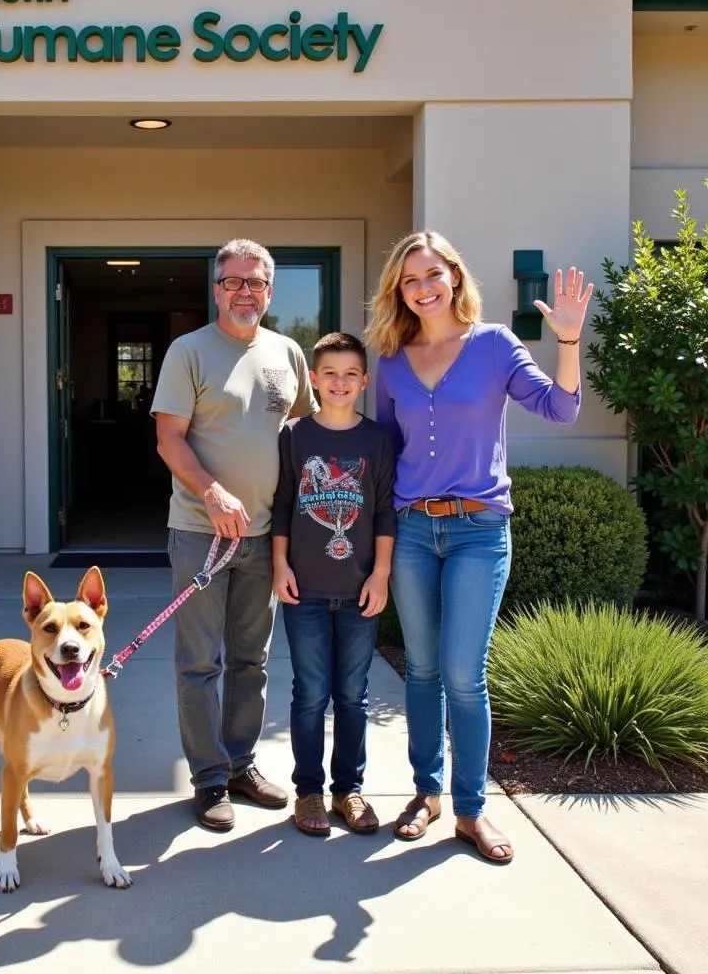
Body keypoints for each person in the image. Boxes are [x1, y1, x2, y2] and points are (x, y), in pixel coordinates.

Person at [364, 230, 591, 865]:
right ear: (399, 291)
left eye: (433, 274)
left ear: (455, 277)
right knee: (423, 669)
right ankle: (426, 793)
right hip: (411, 529)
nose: (423, 287)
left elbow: (562, 408)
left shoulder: (493, 345)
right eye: (410, 280)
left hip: (478, 531)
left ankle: (470, 811)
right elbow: (382, 451)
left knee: (464, 675)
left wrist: (569, 340)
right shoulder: (389, 359)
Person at [151, 237, 317, 831]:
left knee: (252, 660)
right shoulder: (188, 352)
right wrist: (212, 491)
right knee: (200, 662)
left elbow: (304, 436)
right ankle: (210, 778)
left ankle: (241, 763)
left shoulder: (287, 352)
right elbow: (169, 438)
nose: (245, 291)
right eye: (234, 282)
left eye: (256, 282)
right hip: (201, 532)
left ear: (269, 291)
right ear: (217, 289)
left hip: (267, 535)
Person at [271, 331, 395, 837]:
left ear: (364, 381)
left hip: (361, 589)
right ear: (313, 381)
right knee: (309, 694)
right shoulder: (294, 436)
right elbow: (281, 503)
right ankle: (308, 793)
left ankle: (349, 789)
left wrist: (382, 574)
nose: (339, 383)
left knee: (353, 695)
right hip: (306, 590)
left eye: (350, 375)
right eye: (329, 374)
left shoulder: (378, 440)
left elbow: (386, 509)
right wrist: (280, 566)